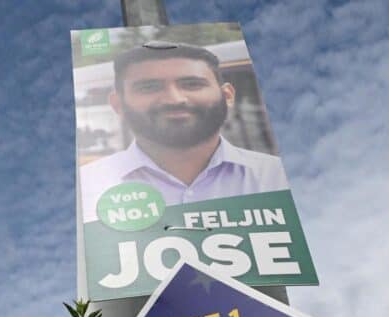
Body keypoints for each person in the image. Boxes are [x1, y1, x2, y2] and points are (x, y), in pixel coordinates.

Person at [81, 42, 289, 223]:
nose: (174, 99)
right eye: (149, 87)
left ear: (227, 95)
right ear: (118, 105)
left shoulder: (276, 177)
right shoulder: (89, 187)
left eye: (192, 84)